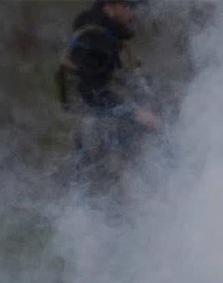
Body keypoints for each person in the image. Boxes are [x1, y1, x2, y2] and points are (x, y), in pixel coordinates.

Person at [56, 0, 160, 181]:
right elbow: (90, 92)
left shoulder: (106, 36)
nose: (133, 12)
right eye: (129, 6)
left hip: (103, 133)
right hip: (98, 135)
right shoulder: (95, 39)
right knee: (104, 191)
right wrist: (135, 113)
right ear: (110, 6)